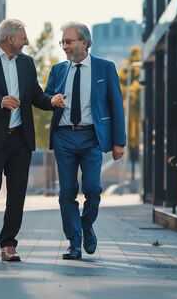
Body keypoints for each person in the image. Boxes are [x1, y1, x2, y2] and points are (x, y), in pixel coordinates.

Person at [0, 19, 65, 262]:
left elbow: (35, 95)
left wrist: (51, 101)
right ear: (10, 39)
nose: (27, 41)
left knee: (17, 195)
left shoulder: (27, 63)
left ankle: (8, 245)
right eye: (23, 37)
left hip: (21, 139)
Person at [44, 21, 126, 260]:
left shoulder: (105, 68)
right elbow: (46, 96)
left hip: (92, 136)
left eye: (68, 42)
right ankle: (74, 242)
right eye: (63, 42)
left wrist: (118, 141)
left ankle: (86, 224)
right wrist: (52, 100)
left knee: (93, 188)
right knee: (67, 191)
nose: (65, 47)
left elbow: (116, 105)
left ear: (85, 42)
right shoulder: (59, 69)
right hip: (64, 136)